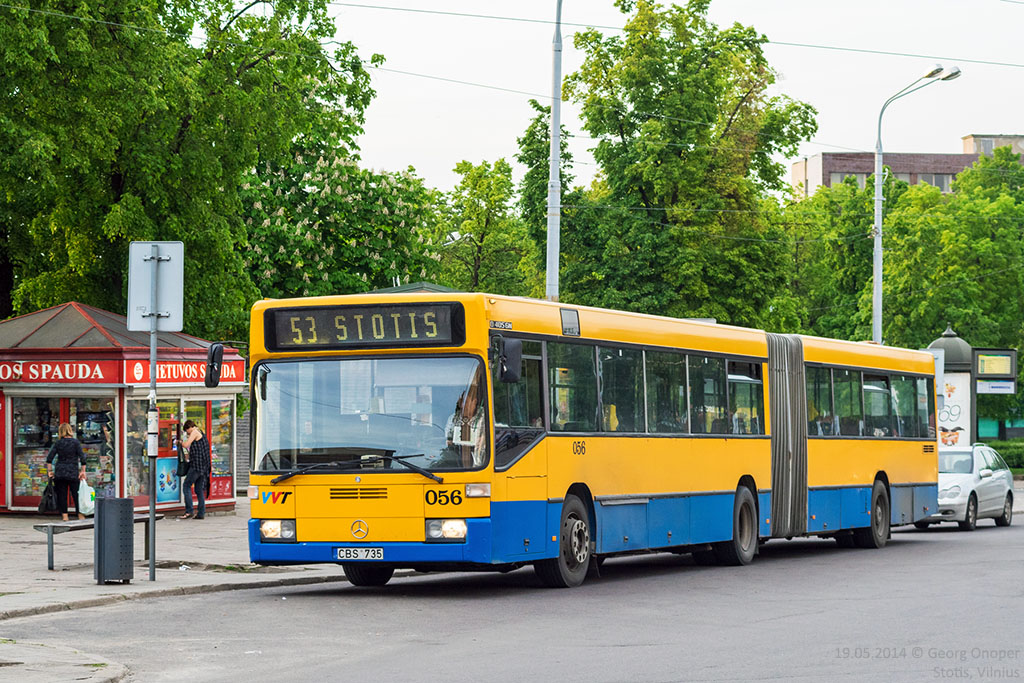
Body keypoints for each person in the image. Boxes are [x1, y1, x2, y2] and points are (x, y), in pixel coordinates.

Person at [45, 423, 87, 521]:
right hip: (73, 472)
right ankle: (80, 514)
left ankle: (65, 516)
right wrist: (83, 471)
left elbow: (49, 459)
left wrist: (50, 471)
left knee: (62, 495)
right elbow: (82, 458)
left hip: (60, 472)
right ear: (70, 431)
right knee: (76, 494)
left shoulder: (58, 443)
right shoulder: (75, 442)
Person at [180, 419, 211, 520]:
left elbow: (186, 445)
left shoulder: (194, 432)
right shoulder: (201, 432)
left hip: (197, 466)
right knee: (198, 490)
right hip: (203, 467)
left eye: (186, 431)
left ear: (189, 427)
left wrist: (179, 442)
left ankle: (189, 511)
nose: (187, 433)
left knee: (186, 485)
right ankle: (201, 513)